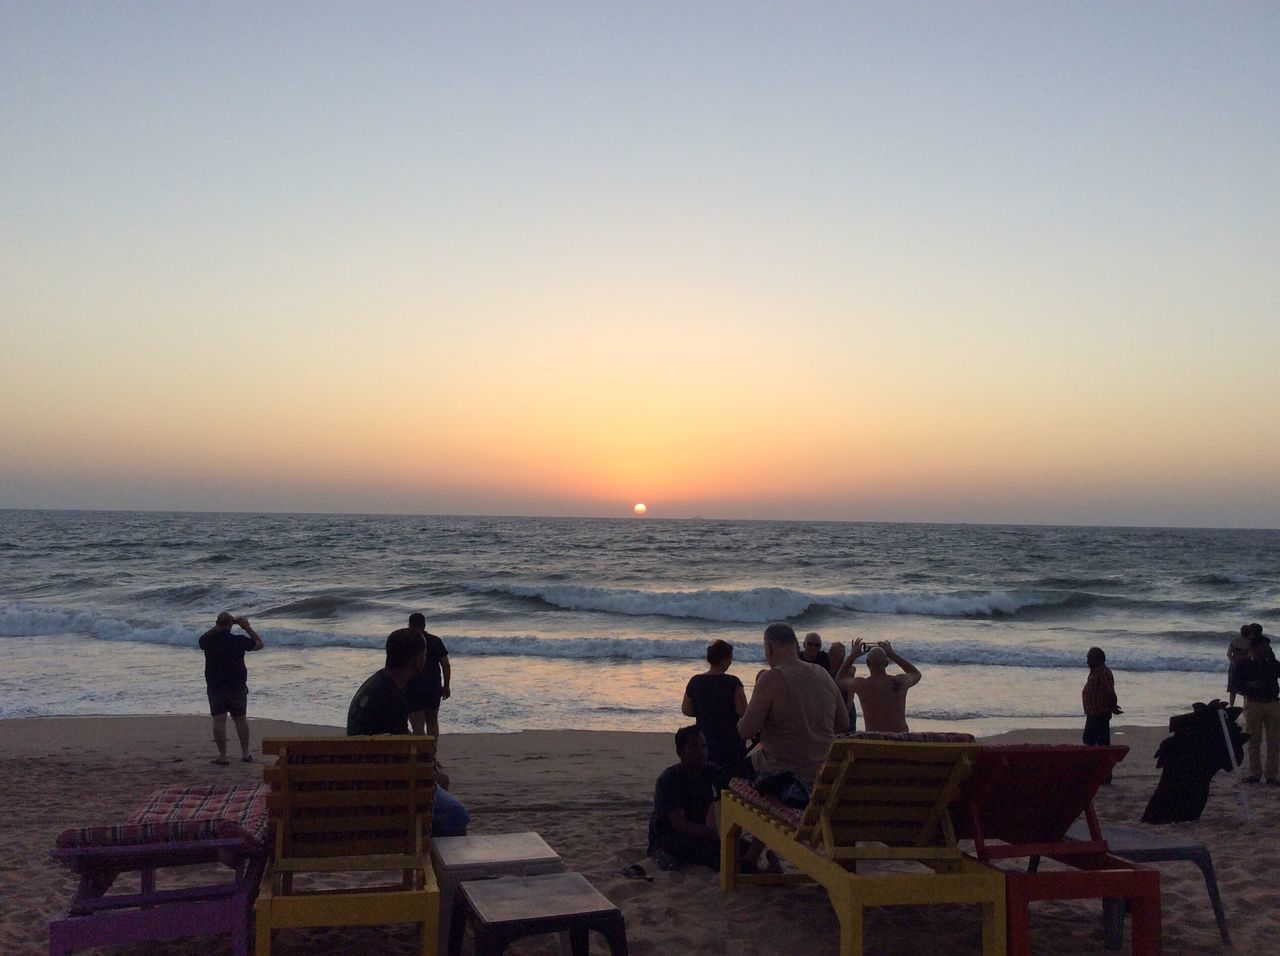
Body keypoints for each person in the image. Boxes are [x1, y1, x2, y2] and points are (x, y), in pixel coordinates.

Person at [347, 627, 471, 834]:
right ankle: (422, 850)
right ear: (416, 659)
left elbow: (392, 738)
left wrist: (425, 755)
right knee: (456, 814)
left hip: (365, 773)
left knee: (440, 781)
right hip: (381, 787)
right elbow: (398, 756)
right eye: (424, 654)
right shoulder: (390, 697)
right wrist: (428, 767)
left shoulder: (378, 684)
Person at [738, 623, 849, 786]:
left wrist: (740, 721)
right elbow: (843, 725)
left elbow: (746, 731)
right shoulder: (823, 674)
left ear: (768, 647)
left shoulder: (770, 678)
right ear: (797, 646)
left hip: (781, 773)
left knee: (724, 776)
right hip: (822, 771)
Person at [647, 726, 722, 871]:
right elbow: (679, 824)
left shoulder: (712, 772)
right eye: (694, 748)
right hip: (669, 835)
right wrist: (715, 835)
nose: (702, 753)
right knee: (713, 854)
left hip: (701, 830)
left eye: (704, 747)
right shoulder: (668, 780)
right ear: (680, 752)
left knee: (741, 847)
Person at [198, 611, 264, 765]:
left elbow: (201, 640)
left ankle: (223, 756)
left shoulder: (208, 640)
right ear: (230, 625)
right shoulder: (238, 640)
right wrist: (246, 627)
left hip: (215, 685)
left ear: (217, 624)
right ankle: (245, 753)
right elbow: (259, 644)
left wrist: (217, 626)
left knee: (219, 719)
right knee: (240, 718)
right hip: (237, 684)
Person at [682, 639, 748, 778]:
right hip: (730, 739)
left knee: (706, 775)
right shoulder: (733, 682)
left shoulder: (696, 681)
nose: (730, 662)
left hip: (704, 738)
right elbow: (742, 712)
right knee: (730, 777)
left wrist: (705, 711)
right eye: (730, 658)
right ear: (723, 660)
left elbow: (686, 710)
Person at [845, 639, 921, 733]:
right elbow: (916, 673)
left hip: (874, 737)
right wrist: (892, 655)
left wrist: (853, 656)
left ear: (868, 663)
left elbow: (839, 680)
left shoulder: (862, 684)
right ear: (887, 663)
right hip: (900, 736)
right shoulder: (899, 681)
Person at [1235, 632, 1280, 785]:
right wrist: (1249, 685)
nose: (1267, 649)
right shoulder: (1244, 665)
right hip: (1253, 702)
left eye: (1268, 647)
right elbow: (1237, 685)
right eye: (1264, 647)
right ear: (1254, 648)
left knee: (1275, 742)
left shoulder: (1273, 663)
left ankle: (1271, 775)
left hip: (1273, 703)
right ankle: (1255, 773)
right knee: (1253, 740)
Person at [403, 612, 451, 742]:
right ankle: (431, 753)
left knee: (417, 724)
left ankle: (422, 754)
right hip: (433, 686)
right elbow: (445, 665)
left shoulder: (405, 642)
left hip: (412, 687)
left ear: (409, 625)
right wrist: (446, 686)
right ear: (424, 625)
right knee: (432, 721)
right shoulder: (435, 641)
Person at [1082, 647, 1123, 749]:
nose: (1088, 661)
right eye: (1088, 658)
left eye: (1090, 658)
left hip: (1100, 713)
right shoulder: (1095, 671)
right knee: (1089, 739)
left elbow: (1110, 691)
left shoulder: (1104, 672)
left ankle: (1100, 760)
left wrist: (1113, 707)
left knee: (1100, 741)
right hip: (1093, 712)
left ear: (1099, 660)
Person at [1228, 623, 1260, 708]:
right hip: (1246, 667)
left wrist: (1234, 663)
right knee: (1245, 688)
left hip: (1234, 666)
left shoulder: (1234, 641)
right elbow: (1250, 656)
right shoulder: (1250, 643)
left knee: (1233, 688)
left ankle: (1231, 706)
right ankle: (1245, 707)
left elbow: (1228, 654)